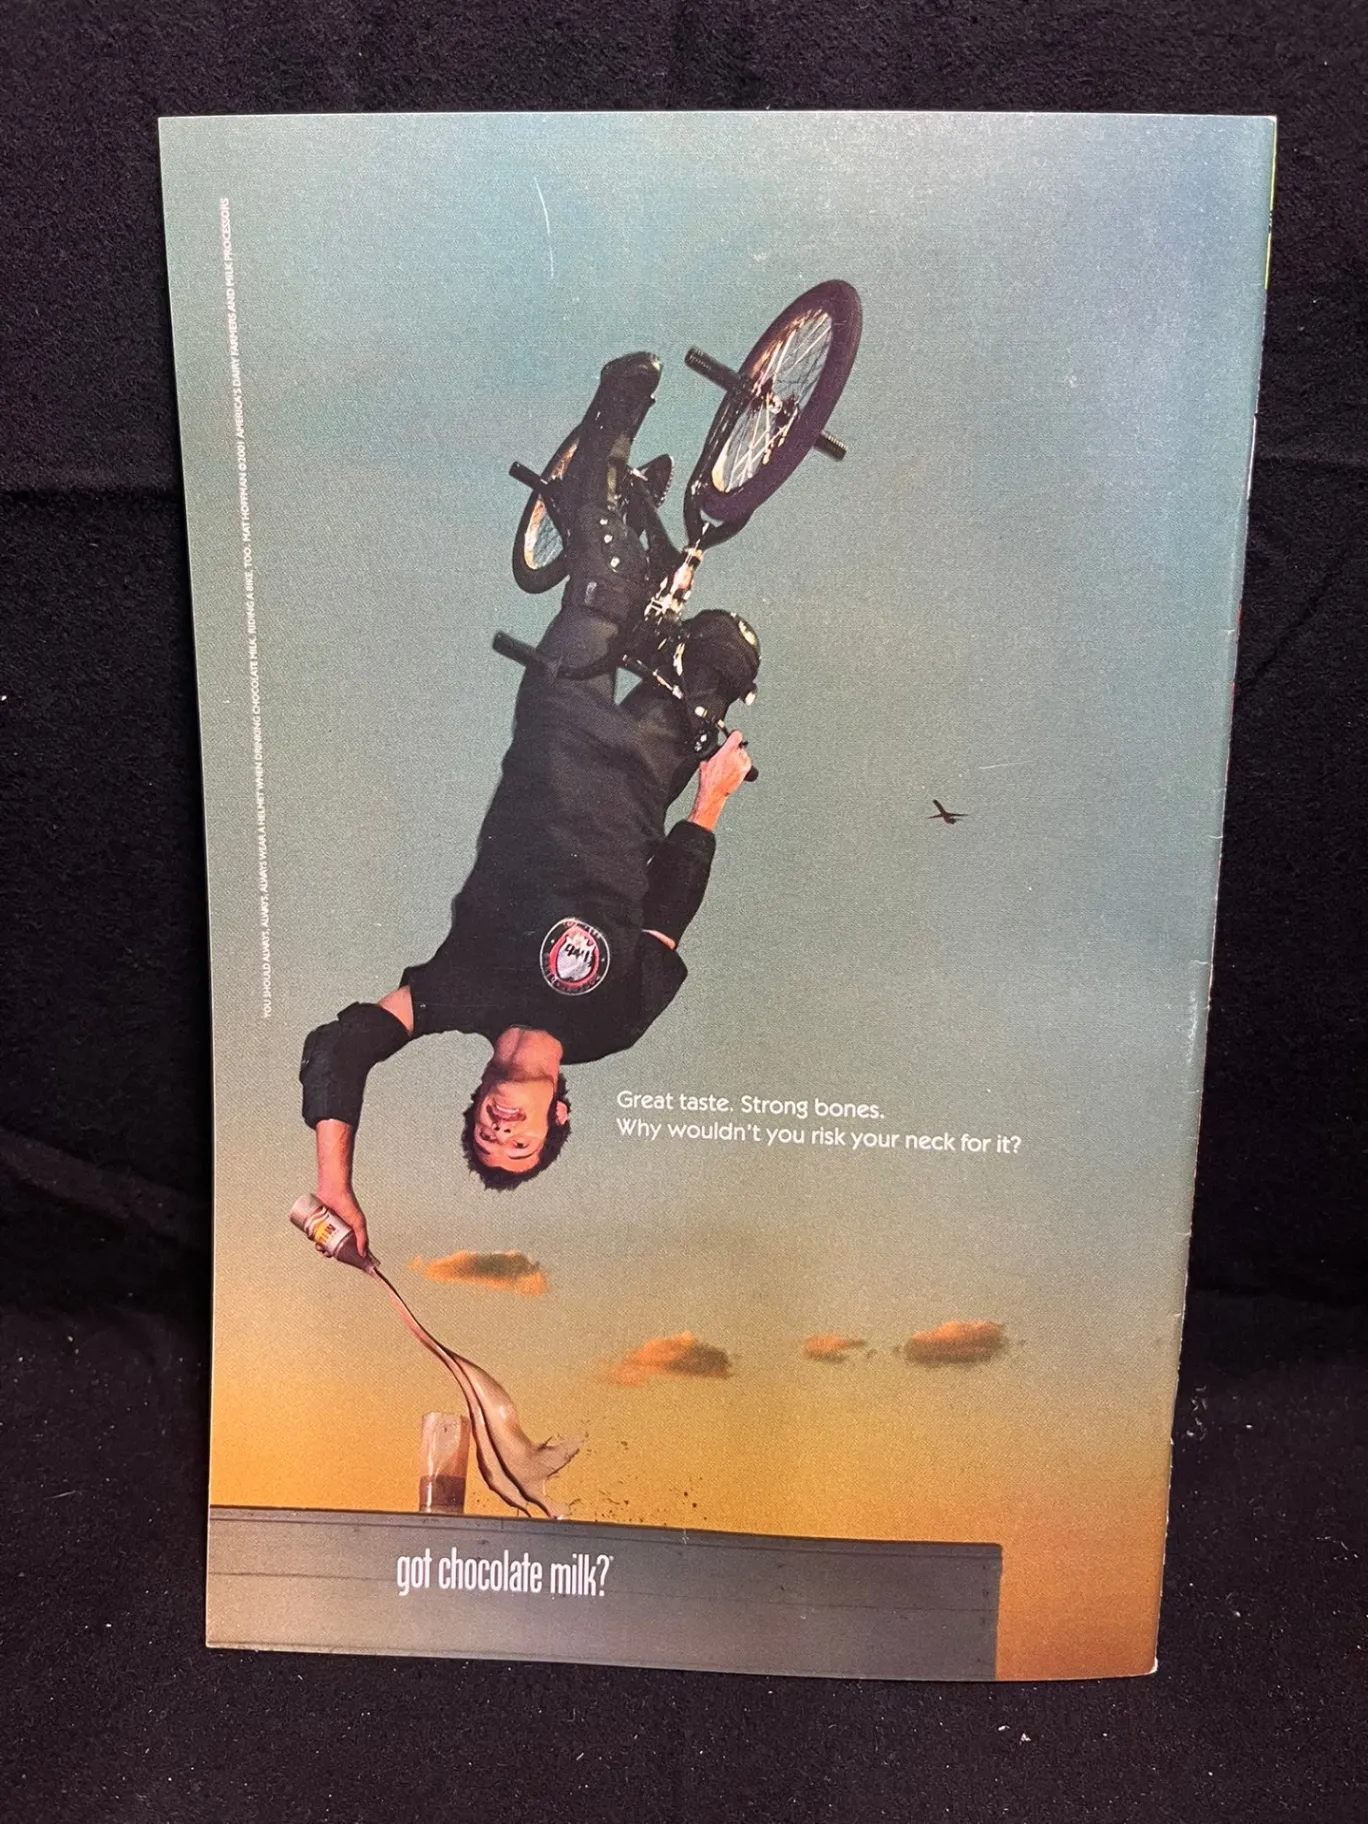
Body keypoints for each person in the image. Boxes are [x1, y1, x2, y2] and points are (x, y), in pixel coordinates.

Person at [300, 351, 762, 1255]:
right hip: (647, 779)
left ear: (477, 1101)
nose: (501, 1132)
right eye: (520, 1145)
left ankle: (614, 416)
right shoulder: (613, 1025)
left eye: (485, 1136)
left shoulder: (455, 994)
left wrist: (333, 1183)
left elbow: (339, 1046)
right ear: (559, 1118)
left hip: (559, 726)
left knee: (608, 573)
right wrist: (710, 805)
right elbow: (668, 913)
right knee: (729, 647)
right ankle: (651, 544)